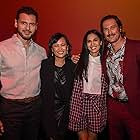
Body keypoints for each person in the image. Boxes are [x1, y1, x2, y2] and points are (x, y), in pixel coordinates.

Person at [0, 6, 47, 140]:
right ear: (16, 23)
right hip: (10, 108)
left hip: (35, 108)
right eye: (23, 23)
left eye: (31, 24)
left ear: (36, 26)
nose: (27, 28)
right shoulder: (2, 48)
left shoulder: (41, 52)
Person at [100, 15, 140, 140]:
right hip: (112, 105)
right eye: (105, 29)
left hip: (133, 106)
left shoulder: (137, 47)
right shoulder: (104, 52)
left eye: (113, 27)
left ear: (120, 28)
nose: (109, 32)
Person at [68, 29, 108, 140]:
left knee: (92, 137)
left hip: (97, 103)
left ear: (101, 42)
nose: (92, 44)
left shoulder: (106, 62)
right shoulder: (79, 60)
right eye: (89, 41)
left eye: (95, 40)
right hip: (79, 101)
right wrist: (72, 59)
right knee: (82, 138)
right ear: (86, 44)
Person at [40, 32, 77, 140]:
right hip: (49, 111)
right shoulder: (44, 65)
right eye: (56, 45)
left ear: (67, 47)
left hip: (68, 112)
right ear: (51, 49)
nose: (60, 48)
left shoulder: (74, 66)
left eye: (63, 45)